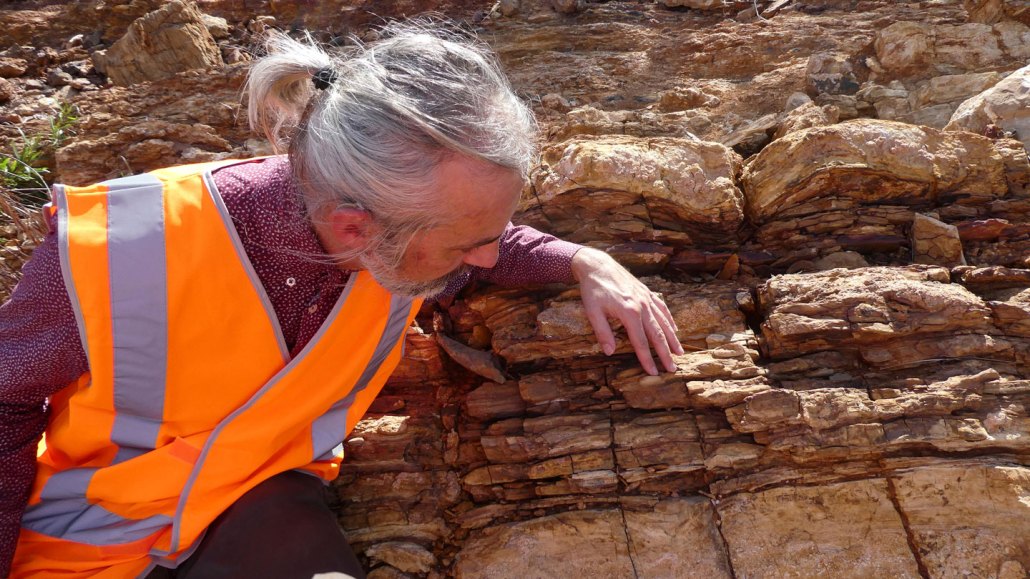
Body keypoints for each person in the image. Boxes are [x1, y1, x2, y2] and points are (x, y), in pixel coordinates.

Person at [0, 20, 683, 578]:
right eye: (464, 245)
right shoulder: (115, 249)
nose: (484, 257)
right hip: (82, 546)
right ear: (358, 228)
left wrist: (582, 261)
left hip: (259, 509)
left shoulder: (399, 242)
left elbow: (489, 247)